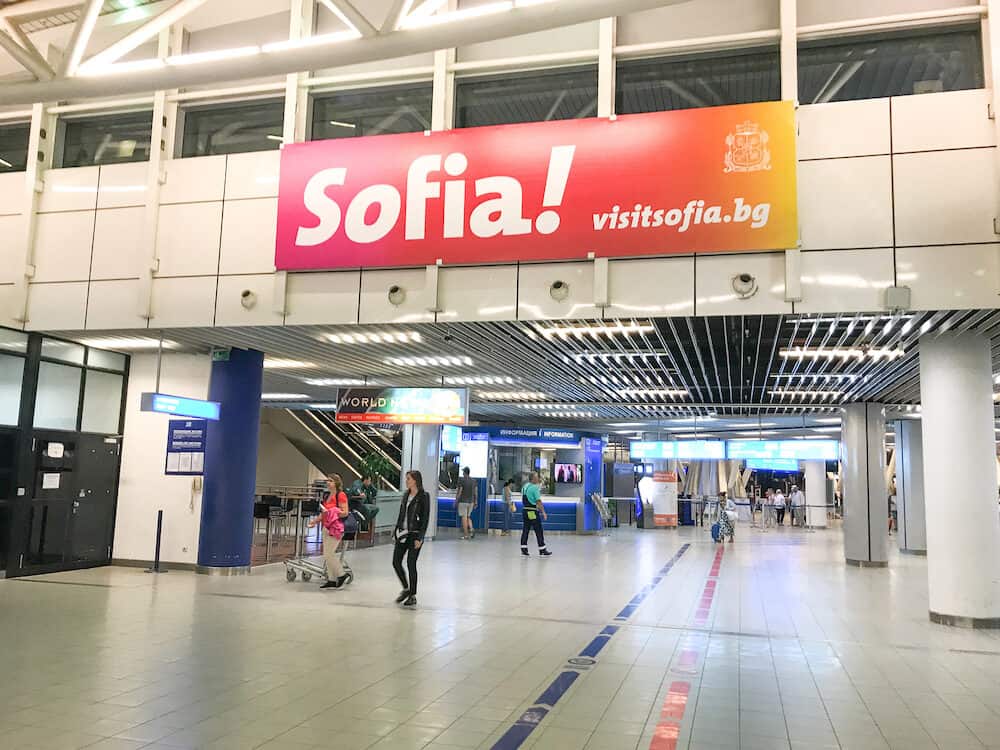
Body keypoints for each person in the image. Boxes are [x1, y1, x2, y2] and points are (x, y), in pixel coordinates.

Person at [393, 470, 429, 607]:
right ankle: (406, 588)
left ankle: (412, 595)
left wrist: (420, 537)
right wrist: (396, 529)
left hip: (415, 534)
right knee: (396, 562)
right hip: (402, 534)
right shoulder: (405, 495)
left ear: (415, 480)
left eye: (408, 478)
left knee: (410, 563)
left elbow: (425, 518)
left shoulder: (424, 496)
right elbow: (401, 514)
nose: (406, 481)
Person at [307, 474, 350, 589]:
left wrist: (334, 512)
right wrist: (314, 522)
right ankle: (331, 579)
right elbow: (324, 513)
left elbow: (345, 512)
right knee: (326, 554)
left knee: (329, 553)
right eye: (327, 481)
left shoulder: (341, 495)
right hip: (326, 527)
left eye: (330, 481)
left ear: (336, 483)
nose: (328, 483)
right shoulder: (328, 496)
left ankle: (341, 574)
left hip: (336, 528)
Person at [520, 471, 552, 557]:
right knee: (538, 530)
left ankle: (523, 549)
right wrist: (543, 512)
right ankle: (542, 549)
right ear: (533, 478)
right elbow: (538, 501)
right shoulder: (534, 488)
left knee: (525, 529)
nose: (538, 478)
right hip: (532, 511)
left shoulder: (525, 486)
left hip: (524, 510)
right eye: (537, 477)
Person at [455, 467, 478, 540]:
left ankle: (466, 535)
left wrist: (456, 500)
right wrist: (476, 501)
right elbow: (475, 492)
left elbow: (460, 491)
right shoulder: (473, 481)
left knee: (464, 518)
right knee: (468, 517)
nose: (462, 473)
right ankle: (471, 529)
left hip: (463, 501)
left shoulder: (462, 480)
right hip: (471, 502)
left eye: (463, 472)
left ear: (465, 473)